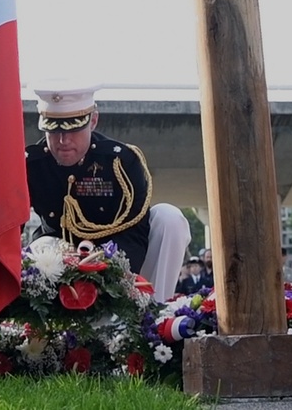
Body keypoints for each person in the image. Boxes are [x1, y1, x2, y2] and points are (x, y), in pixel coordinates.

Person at [25, 82, 191, 302]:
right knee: (40, 247)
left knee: (169, 219)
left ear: (93, 121)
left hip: (117, 255)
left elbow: (134, 229)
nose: (63, 141)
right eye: (53, 130)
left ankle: (154, 311)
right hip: (58, 255)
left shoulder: (120, 162)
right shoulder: (32, 164)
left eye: (73, 129)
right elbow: (8, 223)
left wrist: (107, 270)